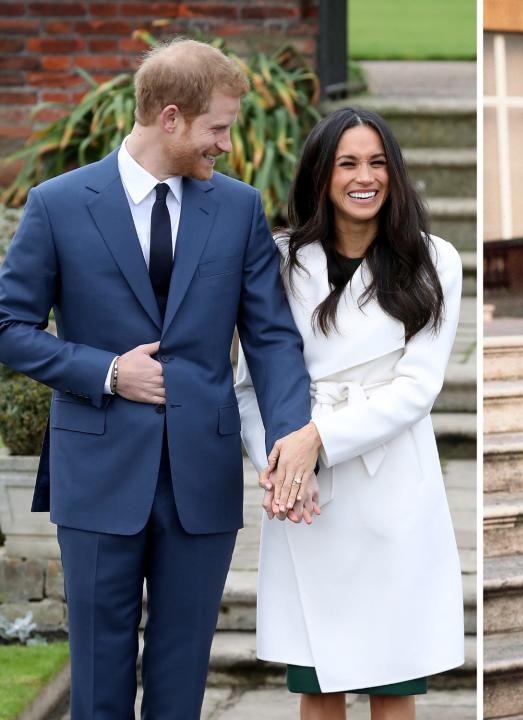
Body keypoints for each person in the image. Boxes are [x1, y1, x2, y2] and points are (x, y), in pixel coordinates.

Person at [0, 39, 322, 719]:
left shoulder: (237, 209)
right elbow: (9, 326)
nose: (225, 145)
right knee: (97, 676)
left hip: (199, 476)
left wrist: (294, 440)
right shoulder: (59, 204)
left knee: (180, 679)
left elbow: (271, 337)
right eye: (218, 129)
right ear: (171, 118)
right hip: (95, 472)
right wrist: (107, 371)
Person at [235, 107, 465, 720]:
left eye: (377, 162)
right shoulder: (277, 259)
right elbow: (249, 385)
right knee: (318, 681)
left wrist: (317, 439)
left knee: (393, 684)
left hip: (391, 486)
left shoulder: (434, 259)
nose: (365, 177)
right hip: (305, 494)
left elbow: (418, 388)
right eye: (347, 163)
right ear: (320, 175)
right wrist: (282, 463)